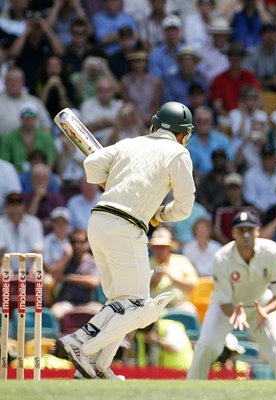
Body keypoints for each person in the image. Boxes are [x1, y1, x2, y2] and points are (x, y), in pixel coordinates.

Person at [53, 101, 196, 380]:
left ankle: (97, 366)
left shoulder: (129, 143)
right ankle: (81, 342)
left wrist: (112, 177)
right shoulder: (178, 153)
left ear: (155, 124)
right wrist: (160, 214)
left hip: (99, 222)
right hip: (127, 226)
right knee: (143, 308)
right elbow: (184, 206)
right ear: (184, 133)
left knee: (120, 304)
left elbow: (91, 165)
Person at [187, 211, 276, 381]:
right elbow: (224, 302)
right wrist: (235, 312)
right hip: (228, 306)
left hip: (261, 304)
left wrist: (265, 310)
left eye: (250, 229)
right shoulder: (222, 257)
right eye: (241, 230)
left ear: (258, 231)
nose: (245, 234)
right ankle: (191, 389)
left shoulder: (273, 252)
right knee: (206, 345)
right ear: (233, 233)